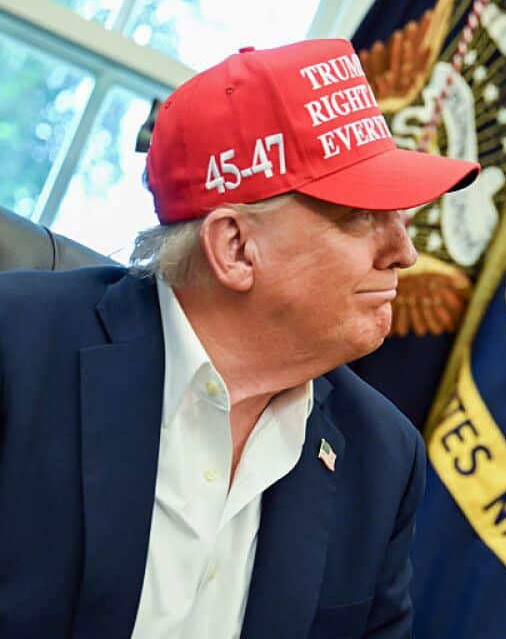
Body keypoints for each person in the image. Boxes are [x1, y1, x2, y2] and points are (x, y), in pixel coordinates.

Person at [0, 38, 478, 638]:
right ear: (234, 248)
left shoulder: (383, 457)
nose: (403, 253)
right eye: (361, 216)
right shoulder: (17, 347)